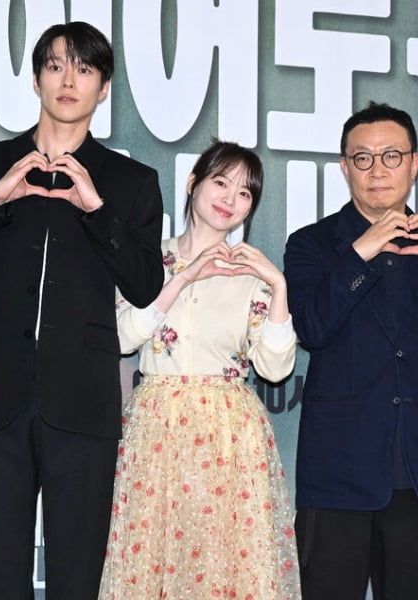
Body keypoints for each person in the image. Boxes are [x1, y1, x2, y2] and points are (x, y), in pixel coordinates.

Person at [0, 22, 163, 598]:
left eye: (84, 69)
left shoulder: (131, 182)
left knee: (77, 574)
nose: (68, 80)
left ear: (103, 88)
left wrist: (96, 209)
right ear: (35, 79)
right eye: (56, 65)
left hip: (83, 400)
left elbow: (146, 285)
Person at [283, 101, 418, 599]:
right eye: (363, 158)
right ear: (344, 168)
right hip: (339, 473)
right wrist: (361, 252)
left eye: (392, 156)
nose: (378, 169)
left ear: (414, 164)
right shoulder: (312, 244)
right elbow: (311, 327)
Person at [99, 141, 301, 599]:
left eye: (246, 192)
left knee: (227, 564)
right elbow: (124, 336)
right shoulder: (151, 258)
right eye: (221, 182)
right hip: (158, 426)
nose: (231, 198)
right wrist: (182, 279)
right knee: (153, 557)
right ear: (192, 185)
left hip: (230, 433)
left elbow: (274, 367)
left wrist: (279, 285)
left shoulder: (251, 273)